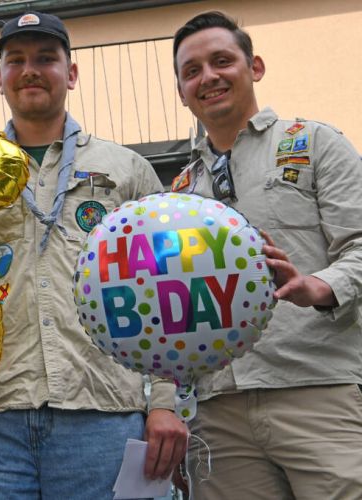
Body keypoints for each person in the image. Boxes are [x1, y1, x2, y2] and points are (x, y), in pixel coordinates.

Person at [0, 11, 188, 498]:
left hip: (103, 414)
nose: (30, 70)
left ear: (71, 72)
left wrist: (165, 402)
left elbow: (167, 290)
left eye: (46, 58)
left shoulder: (126, 170)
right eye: (15, 59)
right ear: (0, 77)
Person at [171, 11, 362, 498]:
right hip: (218, 411)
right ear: (181, 90)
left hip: (316, 390)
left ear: (254, 67)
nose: (208, 77)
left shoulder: (316, 143)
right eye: (192, 71)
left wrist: (322, 286)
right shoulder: (178, 196)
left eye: (221, 61)